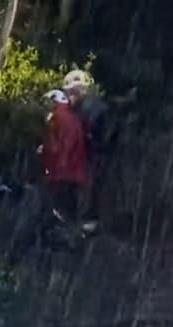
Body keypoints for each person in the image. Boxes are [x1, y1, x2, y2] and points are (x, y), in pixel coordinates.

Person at [61, 69, 113, 230]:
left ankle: (85, 222)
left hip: (91, 158)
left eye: (73, 92)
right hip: (84, 159)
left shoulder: (92, 109)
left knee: (87, 191)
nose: (70, 96)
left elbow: (103, 137)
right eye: (68, 92)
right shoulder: (76, 110)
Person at [38, 88, 89, 227]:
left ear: (53, 102)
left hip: (61, 171)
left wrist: (56, 161)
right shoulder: (72, 116)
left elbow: (58, 143)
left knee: (59, 209)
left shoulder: (57, 117)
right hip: (74, 171)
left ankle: (63, 232)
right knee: (70, 208)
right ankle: (72, 232)